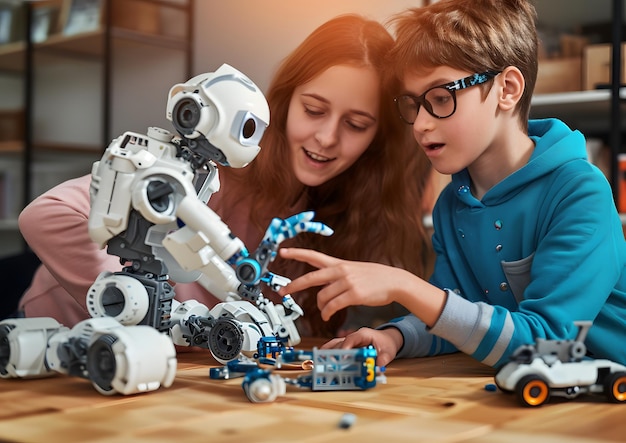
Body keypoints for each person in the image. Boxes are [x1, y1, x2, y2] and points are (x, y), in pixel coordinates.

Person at [17, 14, 434, 338]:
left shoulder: (330, 215)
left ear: (377, 138)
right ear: (286, 102)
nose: (327, 138)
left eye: (356, 125)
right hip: (65, 336)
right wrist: (151, 308)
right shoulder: (210, 170)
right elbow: (47, 214)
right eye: (314, 109)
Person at [278, 0, 626, 368]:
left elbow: (546, 344)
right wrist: (395, 336)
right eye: (413, 104)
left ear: (507, 89)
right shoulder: (453, 204)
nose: (420, 125)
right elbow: (456, 315)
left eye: (441, 98)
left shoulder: (577, 192)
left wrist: (405, 286)